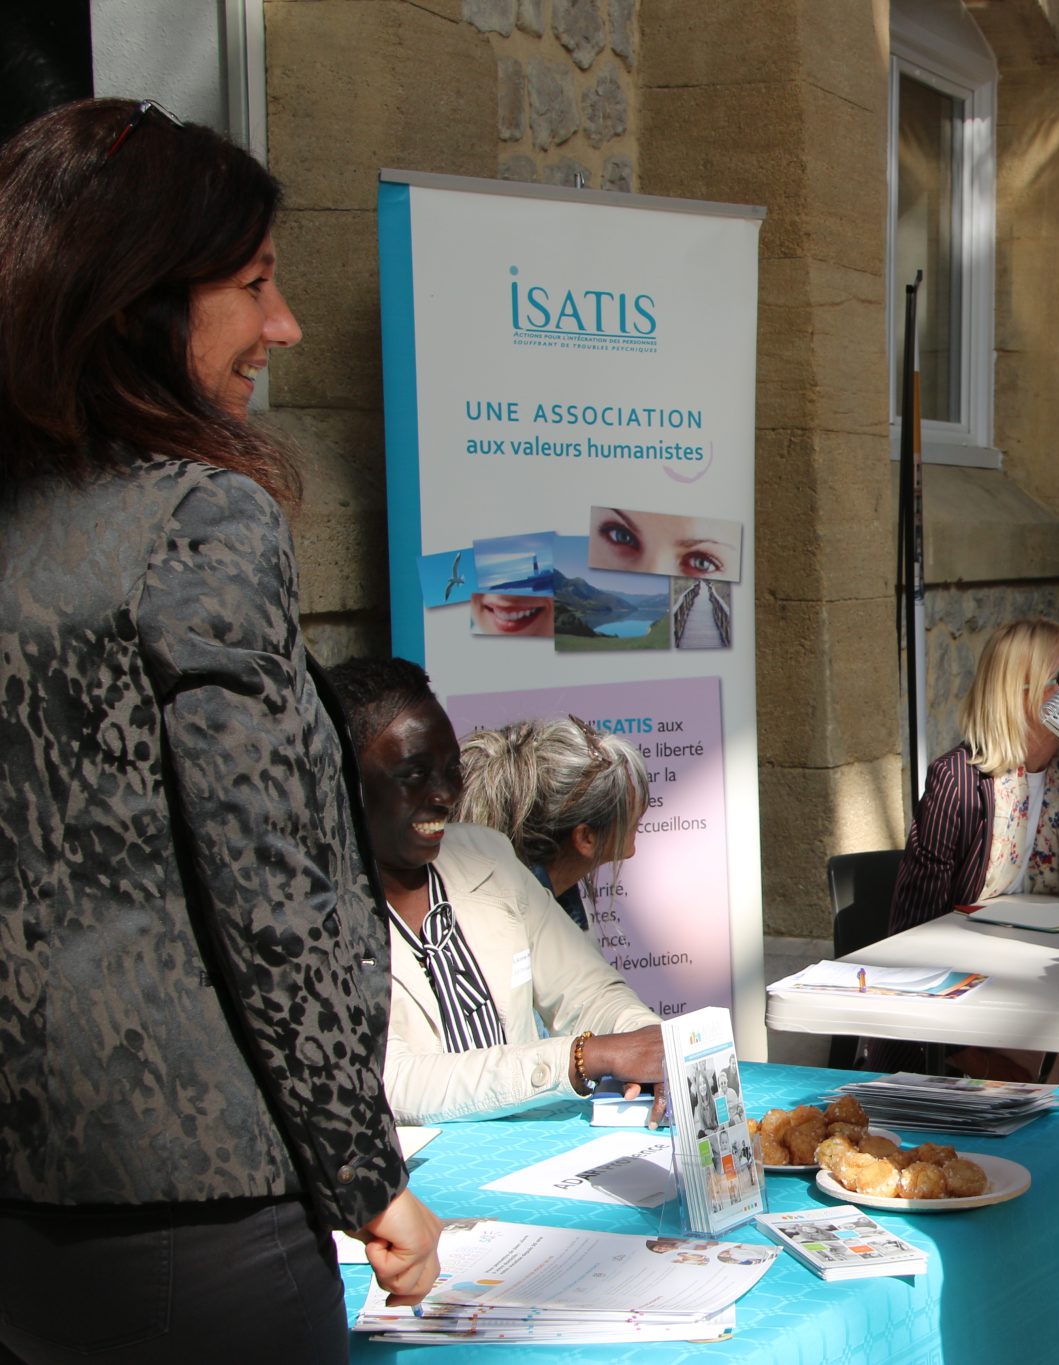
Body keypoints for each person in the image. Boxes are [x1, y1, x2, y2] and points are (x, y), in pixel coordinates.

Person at [0, 99, 438, 1361]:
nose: (281, 327)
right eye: (252, 285)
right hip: (189, 1214)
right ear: (135, 299)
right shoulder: (197, 519)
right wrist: (367, 1174)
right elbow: (270, 891)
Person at [329, 658, 670, 1123]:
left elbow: (586, 990)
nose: (444, 795)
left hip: (525, 1163)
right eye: (414, 774)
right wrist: (579, 1059)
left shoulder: (485, 858)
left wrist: (648, 1044)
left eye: (451, 771)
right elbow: (392, 1082)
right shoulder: (318, 911)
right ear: (345, 780)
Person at [882, 618, 1059, 1078]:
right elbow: (917, 923)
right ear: (1020, 691)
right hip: (971, 986)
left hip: (1044, 968)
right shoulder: (961, 779)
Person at [453, 716, 651, 930]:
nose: (640, 807)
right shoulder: (510, 928)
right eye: (626, 804)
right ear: (586, 838)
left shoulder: (549, 902)